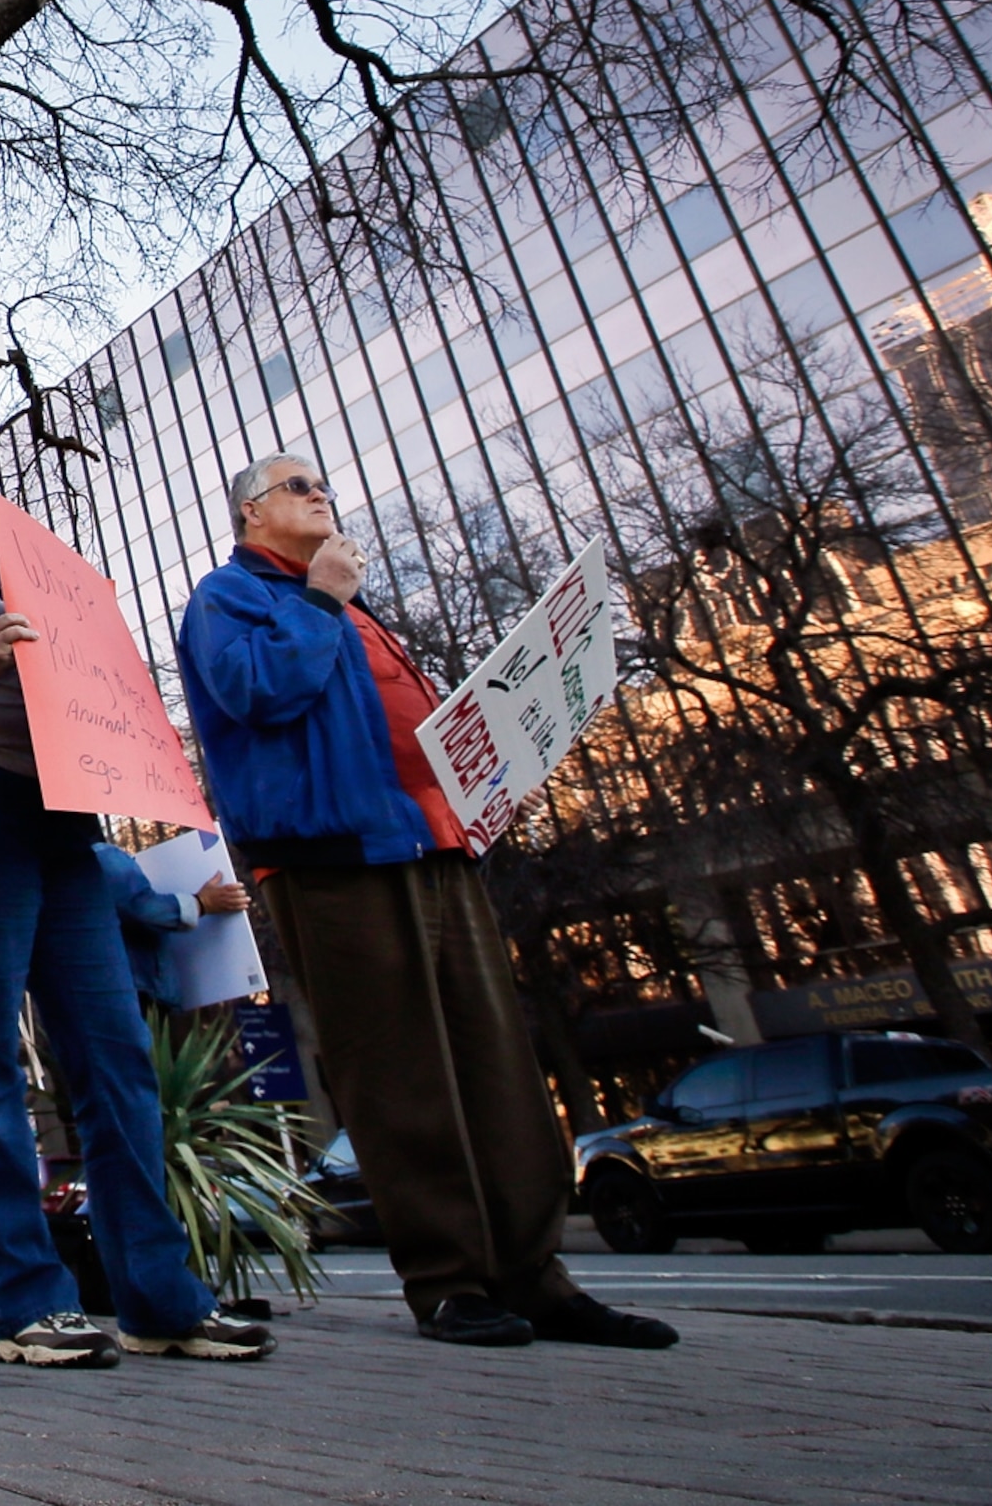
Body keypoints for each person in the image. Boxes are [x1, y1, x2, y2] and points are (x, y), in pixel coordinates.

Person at [176, 454, 677, 1352]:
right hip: (336, 858)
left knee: (497, 1066)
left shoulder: (351, 604)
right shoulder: (231, 595)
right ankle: (448, 1281)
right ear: (252, 511)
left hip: (435, 847)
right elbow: (259, 690)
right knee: (400, 1071)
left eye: (325, 482)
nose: (321, 493)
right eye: (298, 486)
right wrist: (322, 599)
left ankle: (535, 1274)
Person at [0, 435, 276, 1370]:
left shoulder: (13, 589)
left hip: (65, 825)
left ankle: (161, 1298)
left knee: (116, 1060)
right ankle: (25, 1302)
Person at [96, 839, 250, 1013]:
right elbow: (144, 909)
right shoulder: (103, 856)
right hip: (141, 993)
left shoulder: (63, 867)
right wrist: (201, 903)